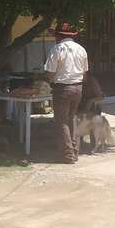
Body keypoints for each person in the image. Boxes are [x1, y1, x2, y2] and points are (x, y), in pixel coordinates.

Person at [44, 22, 88, 164]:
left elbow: (50, 73)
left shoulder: (57, 49)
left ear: (58, 36)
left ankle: (67, 155)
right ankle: (74, 151)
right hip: (78, 87)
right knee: (71, 118)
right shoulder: (81, 49)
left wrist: (48, 81)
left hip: (62, 88)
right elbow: (85, 73)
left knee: (61, 121)